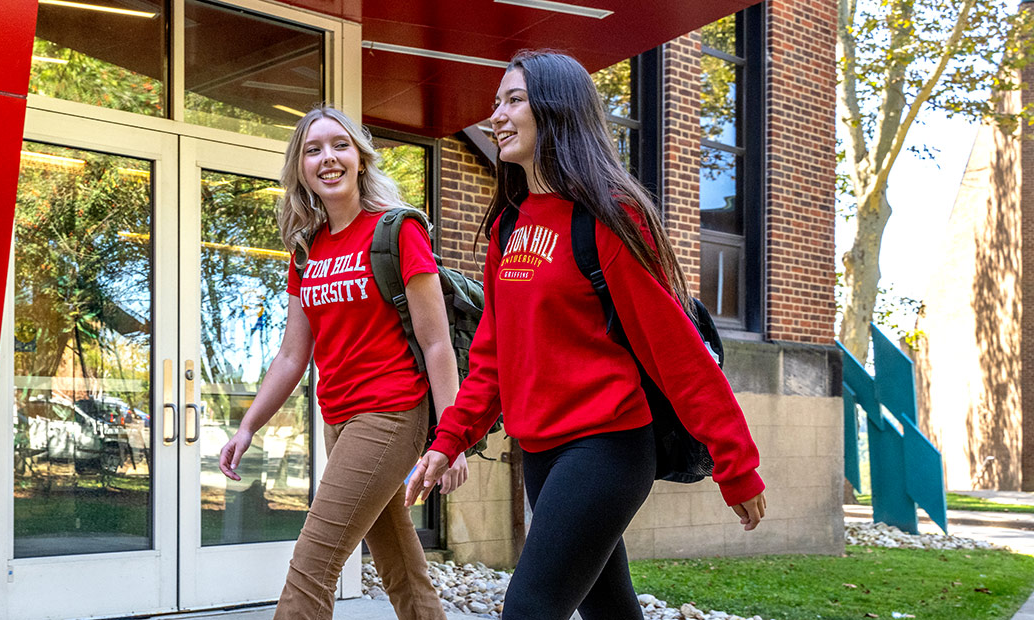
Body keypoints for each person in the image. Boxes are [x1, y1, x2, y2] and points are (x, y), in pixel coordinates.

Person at [405, 50, 768, 620]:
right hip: (542, 452)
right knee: (610, 613)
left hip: (609, 446)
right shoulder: (508, 225)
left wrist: (736, 464)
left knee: (528, 609)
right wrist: (449, 439)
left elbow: (676, 351)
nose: (496, 116)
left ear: (556, 109)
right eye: (495, 103)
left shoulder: (608, 214)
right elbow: (493, 358)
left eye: (514, 100)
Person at [217, 106, 466, 620]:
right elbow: (292, 354)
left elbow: (436, 341)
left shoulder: (397, 232)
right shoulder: (307, 250)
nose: (327, 158)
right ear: (301, 167)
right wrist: (248, 426)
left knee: (312, 565)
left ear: (360, 158)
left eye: (339, 145)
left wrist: (453, 437)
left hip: (392, 414)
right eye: (313, 150)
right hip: (338, 419)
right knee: (399, 562)